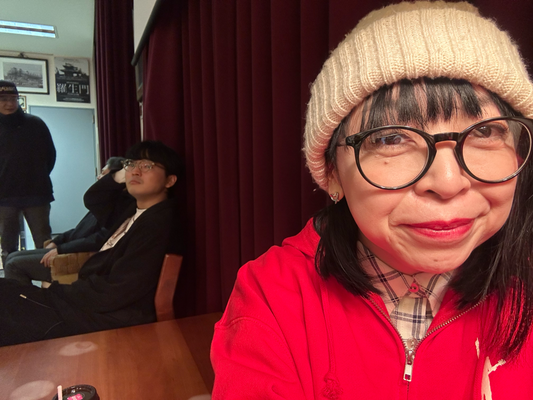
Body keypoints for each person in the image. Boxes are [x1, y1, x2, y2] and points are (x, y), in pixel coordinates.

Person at [211, 2, 533, 399]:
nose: (448, 183)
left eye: (485, 132)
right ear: (332, 174)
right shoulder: (273, 297)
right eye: (390, 138)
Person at [0, 140, 184, 346]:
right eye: (131, 164)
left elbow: (119, 290)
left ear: (170, 180)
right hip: (89, 301)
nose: (135, 171)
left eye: (147, 166)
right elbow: (94, 198)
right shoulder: (132, 210)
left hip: (105, 316)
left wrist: (59, 291)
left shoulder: (158, 223)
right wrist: (118, 175)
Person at [3, 157, 125, 286]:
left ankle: (25, 299)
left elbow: (98, 239)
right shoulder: (102, 203)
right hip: (69, 249)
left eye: (104, 174)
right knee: (12, 256)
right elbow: (78, 231)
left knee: (13, 265)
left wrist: (61, 249)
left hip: (77, 257)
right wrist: (57, 242)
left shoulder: (117, 207)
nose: (99, 177)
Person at [0, 80, 56, 267]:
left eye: (13, 98)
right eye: (3, 99)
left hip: (37, 193)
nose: (10, 103)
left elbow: (50, 156)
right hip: (4, 197)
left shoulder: (36, 124)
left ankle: (48, 282)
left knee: (44, 244)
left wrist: (37, 176)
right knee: (8, 247)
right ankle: (13, 283)